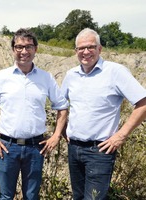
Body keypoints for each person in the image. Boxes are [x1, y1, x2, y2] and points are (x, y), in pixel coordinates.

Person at [0, 28, 69, 200]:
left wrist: (56, 135)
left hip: (36, 147)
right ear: (13, 50)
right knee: (5, 196)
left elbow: (62, 106)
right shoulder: (1, 77)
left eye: (28, 47)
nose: (23, 51)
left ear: (35, 49)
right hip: (7, 148)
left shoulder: (45, 78)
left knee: (32, 196)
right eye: (19, 47)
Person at [61, 28, 146, 200]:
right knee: (78, 197)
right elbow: (62, 106)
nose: (86, 52)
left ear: (100, 49)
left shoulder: (115, 72)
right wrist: (62, 132)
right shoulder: (71, 75)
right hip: (74, 148)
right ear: (75, 51)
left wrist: (120, 136)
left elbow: (143, 103)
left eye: (91, 47)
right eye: (81, 48)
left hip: (99, 151)